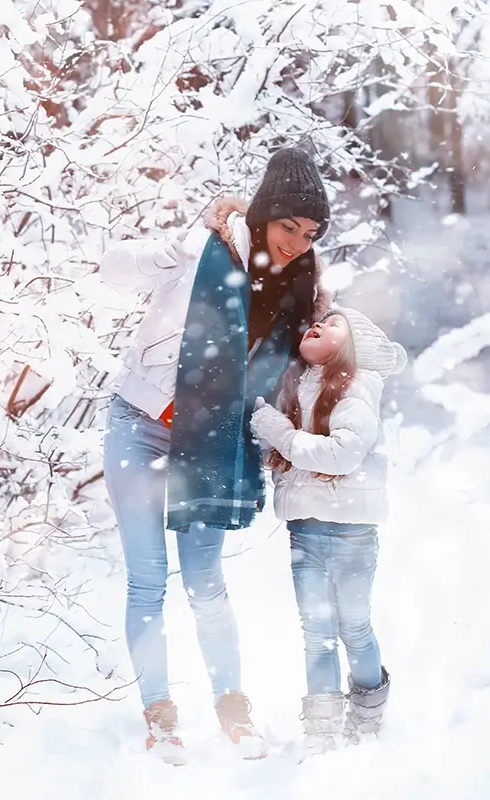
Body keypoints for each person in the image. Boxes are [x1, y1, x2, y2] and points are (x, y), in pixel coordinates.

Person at [98, 147, 332, 764]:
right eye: (288, 227)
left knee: (205, 581)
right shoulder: (203, 250)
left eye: (309, 235)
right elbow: (111, 266)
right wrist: (182, 239)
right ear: (263, 215)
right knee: (148, 580)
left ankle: (232, 706)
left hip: (213, 444)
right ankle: (160, 716)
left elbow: (340, 356)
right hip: (141, 427)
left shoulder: (296, 291)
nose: (296, 243)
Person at [249, 306, 407, 758]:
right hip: (305, 529)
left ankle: (367, 715)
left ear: (352, 344)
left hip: (352, 533)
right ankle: (321, 729)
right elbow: (287, 454)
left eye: (335, 323)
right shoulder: (296, 385)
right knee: (316, 630)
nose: (319, 324)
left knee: (353, 626)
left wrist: (277, 431)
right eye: (319, 320)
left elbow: (339, 456)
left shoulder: (356, 389)